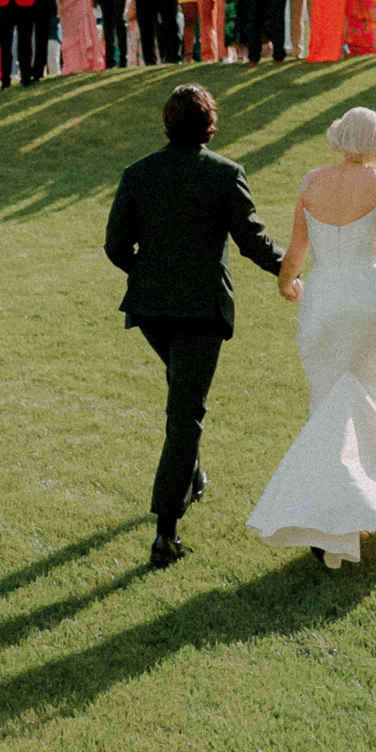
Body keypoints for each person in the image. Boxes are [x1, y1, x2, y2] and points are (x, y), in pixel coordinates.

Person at [246, 107, 376, 566]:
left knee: (328, 406)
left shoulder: (311, 182)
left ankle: (336, 518)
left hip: (322, 297)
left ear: (338, 140)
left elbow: (296, 251)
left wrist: (285, 284)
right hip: (368, 297)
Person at [104, 85, 286, 569]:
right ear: (210, 125)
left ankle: (193, 476)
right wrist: (290, 269)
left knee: (184, 394)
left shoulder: (138, 173)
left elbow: (116, 245)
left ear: (166, 124)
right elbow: (252, 241)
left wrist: (148, 275)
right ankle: (166, 533)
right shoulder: (225, 174)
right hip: (201, 309)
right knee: (185, 410)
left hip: (151, 309)